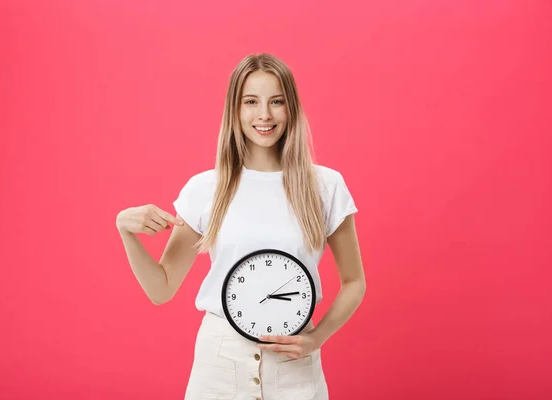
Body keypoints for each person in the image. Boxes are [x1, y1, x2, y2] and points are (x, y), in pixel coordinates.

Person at [116, 53, 366, 400]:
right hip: (218, 367)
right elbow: (161, 289)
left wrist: (317, 337)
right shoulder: (206, 188)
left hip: (294, 367)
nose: (264, 115)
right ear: (235, 110)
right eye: (251, 102)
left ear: (291, 108)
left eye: (276, 102)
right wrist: (125, 232)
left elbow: (355, 282)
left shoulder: (325, 186)